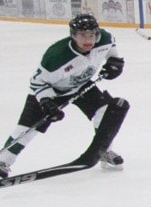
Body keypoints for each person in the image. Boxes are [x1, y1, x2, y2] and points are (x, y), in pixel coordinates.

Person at [0, 14, 128, 179]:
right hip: (49, 91)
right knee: (27, 129)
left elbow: (111, 49)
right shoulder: (56, 57)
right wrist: (46, 103)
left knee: (105, 111)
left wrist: (115, 63)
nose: (88, 39)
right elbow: (37, 82)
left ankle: (103, 149)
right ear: (73, 35)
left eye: (91, 35)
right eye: (82, 35)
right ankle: (3, 160)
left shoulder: (104, 38)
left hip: (81, 85)